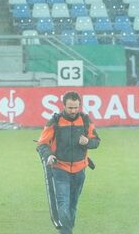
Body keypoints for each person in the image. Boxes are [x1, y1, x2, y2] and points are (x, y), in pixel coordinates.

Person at [36, 91, 100, 234]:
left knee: (72, 206)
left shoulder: (85, 121)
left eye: (76, 107)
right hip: (60, 170)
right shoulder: (55, 122)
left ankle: (67, 230)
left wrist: (88, 142)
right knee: (63, 205)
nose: (73, 111)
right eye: (70, 108)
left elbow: (96, 141)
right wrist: (48, 156)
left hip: (80, 171)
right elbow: (42, 144)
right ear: (63, 105)